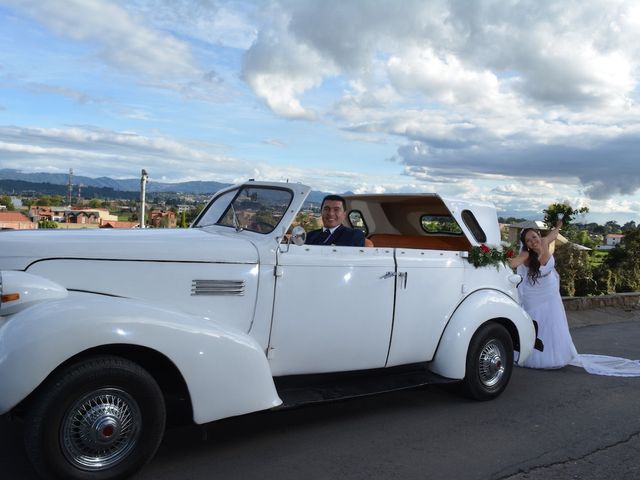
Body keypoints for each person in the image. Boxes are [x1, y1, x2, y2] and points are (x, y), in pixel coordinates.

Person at [509, 219, 640, 376]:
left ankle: (554, 356)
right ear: (526, 244)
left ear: (538, 235)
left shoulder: (544, 241)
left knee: (552, 325)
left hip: (550, 292)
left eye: (533, 237)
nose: (532, 242)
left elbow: (554, 234)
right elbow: (514, 263)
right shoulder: (526, 254)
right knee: (536, 324)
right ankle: (531, 356)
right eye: (528, 241)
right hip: (534, 296)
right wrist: (495, 259)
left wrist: (558, 225)